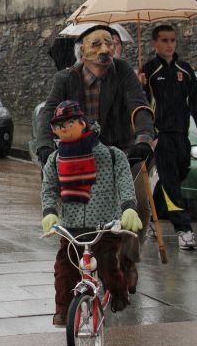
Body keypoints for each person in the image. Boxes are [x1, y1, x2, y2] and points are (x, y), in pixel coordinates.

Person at [36, 24, 155, 292]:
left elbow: (139, 104)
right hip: (80, 154)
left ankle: (128, 260)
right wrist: (44, 146)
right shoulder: (66, 79)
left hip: (121, 152)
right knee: (75, 210)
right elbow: (49, 113)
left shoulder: (122, 71)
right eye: (96, 44)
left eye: (108, 43)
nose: (104, 49)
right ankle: (80, 264)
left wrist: (144, 138)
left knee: (140, 206)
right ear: (82, 52)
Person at [41, 100, 142, 326]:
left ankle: (118, 293)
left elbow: (125, 182)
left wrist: (128, 207)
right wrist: (49, 211)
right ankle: (65, 312)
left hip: (104, 226)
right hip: (71, 228)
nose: (63, 128)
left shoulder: (110, 155)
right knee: (64, 270)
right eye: (57, 125)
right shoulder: (55, 159)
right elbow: (49, 188)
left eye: (68, 123)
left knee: (107, 263)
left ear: (82, 123)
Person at [139, 25, 197, 250]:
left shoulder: (185, 70)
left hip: (182, 136)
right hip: (161, 136)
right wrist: (140, 85)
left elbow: (196, 104)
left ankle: (149, 215)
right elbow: (140, 105)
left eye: (172, 40)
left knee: (177, 177)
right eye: (164, 40)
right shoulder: (148, 70)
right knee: (170, 182)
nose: (169, 45)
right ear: (154, 44)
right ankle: (184, 230)